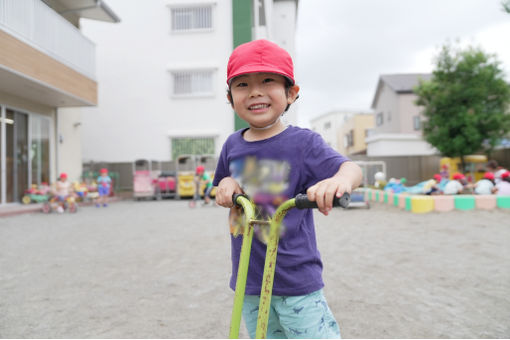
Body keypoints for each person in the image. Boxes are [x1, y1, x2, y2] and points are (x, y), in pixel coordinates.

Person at [213, 39, 362, 339]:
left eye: (267, 80)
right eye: (242, 84)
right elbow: (220, 186)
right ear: (230, 98)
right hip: (249, 279)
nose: (255, 91)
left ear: (291, 93)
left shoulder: (304, 143)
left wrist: (340, 181)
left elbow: (351, 169)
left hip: (295, 280)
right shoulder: (232, 145)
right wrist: (226, 183)